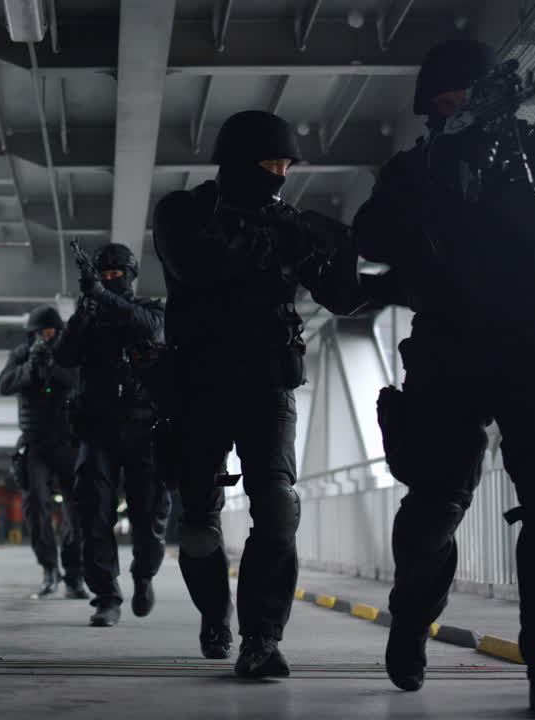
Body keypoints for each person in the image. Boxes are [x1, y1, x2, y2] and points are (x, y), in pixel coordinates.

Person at [350, 38, 535, 717]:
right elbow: (370, 235)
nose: (454, 106)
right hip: (449, 342)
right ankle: (410, 621)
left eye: (465, 95)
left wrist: (507, 170)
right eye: (444, 99)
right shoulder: (417, 165)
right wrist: (433, 175)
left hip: (533, 337)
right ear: (431, 108)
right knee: (434, 504)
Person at [152, 110, 363, 677]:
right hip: (197, 387)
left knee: (277, 506)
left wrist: (342, 247)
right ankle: (216, 616)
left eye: (285, 165)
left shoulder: (287, 223)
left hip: (268, 384)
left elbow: (343, 299)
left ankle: (262, 638)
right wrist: (283, 242)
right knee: (197, 527)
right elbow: (198, 264)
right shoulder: (183, 211)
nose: (279, 175)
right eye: (269, 164)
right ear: (237, 162)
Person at [53, 244, 171, 627]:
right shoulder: (91, 315)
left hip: (143, 427)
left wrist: (102, 296)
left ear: (130, 276)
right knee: (93, 514)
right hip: (98, 428)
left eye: (114, 275)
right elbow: (64, 357)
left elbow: (151, 328)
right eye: (101, 276)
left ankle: (143, 575)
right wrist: (83, 313)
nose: (107, 281)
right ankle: (106, 596)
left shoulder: (150, 309)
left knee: (150, 514)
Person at [0, 306, 87, 600]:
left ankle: (74, 575)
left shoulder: (71, 351)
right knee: (35, 504)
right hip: (35, 443)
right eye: (40, 333)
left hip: (68, 442)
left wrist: (54, 367)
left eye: (49, 332)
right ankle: (50, 570)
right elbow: (4, 385)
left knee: (78, 512)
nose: (45, 337)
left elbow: (79, 382)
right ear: (32, 334)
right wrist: (31, 367)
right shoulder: (22, 355)